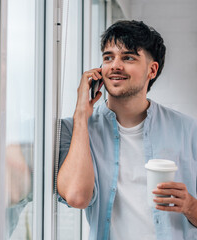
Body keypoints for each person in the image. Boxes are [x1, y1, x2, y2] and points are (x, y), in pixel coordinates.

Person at [57, 20, 197, 240]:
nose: (115, 66)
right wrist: (81, 114)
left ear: (152, 70)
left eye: (128, 57)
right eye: (108, 57)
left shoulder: (188, 130)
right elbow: (76, 197)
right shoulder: (75, 130)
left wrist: (190, 205)